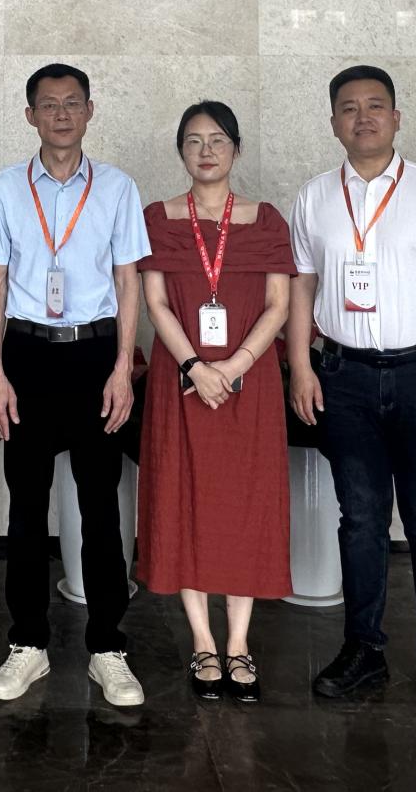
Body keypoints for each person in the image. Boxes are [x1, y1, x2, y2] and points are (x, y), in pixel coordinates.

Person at [285, 65, 416, 726]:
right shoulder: (314, 197)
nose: (363, 116)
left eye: (376, 105)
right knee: (361, 520)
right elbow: (302, 288)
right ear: (333, 122)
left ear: (397, 118)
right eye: (349, 107)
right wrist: (301, 365)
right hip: (343, 377)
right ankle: (364, 648)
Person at [0, 63, 153, 708]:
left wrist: (123, 367)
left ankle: (107, 647)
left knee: (101, 505)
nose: (62, 114)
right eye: (49, 105)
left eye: (73, 103)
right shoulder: (4, 188)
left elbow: (128, 281)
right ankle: (28, 644)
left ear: (90, 111)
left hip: (95, 353)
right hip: (26, 355)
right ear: (30, 116)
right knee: (26, 505)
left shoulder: (118, 188)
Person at [137, 101, 294, 703]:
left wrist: (232, 367)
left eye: (218, 140)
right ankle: (203, 641)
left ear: (236, 149)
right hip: (182, 383)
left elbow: (278, 305)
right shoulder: (158, 218)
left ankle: (240, 643)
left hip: (248, 385)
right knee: (184, 498)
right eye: (194, 141)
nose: (206, 151)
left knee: (244, 503)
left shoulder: (266, 219)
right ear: (180, 150)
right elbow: (156, 303)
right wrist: (195, 368)